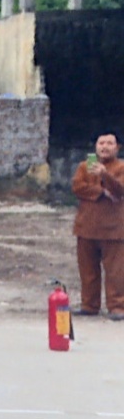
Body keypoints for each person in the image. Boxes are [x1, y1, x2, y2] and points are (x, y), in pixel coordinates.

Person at [71, 131, 124, 320]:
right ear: (96, 147)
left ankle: (117, 307)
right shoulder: (84, 167)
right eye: (101, 143)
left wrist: (105, 175)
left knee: (116, 272)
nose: (105, 147)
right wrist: (101, 192)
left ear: (117, 148)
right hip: (86, 227)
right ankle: (89, 305)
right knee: (87, 270)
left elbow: (120, 191)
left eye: (110, 143)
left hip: (114, 229)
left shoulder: (121, 167)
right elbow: (77, 188)